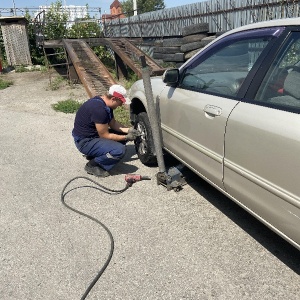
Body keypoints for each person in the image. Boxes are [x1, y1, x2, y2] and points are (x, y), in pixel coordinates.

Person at [72, 84, 140, 177]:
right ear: (113, 99)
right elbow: (105, 136)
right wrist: (126, 137)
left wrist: (129, 130)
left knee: (122, 135)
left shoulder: (105, 104)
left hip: (92, 136)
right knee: (119, 150)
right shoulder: (99, 110)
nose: (121, 105)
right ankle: (93, 165)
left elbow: (113, 124)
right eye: (120, 102)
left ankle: (96, 153)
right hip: (84, 142)